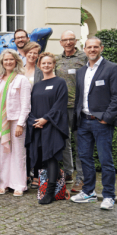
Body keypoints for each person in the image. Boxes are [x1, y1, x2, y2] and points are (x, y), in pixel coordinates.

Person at [71, 37, 117, 210]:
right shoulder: (81, 71)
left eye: (95, 47)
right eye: (89, 47)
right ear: (84, 49)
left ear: (101, 48)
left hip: (101, 122)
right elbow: (79, 97)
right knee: (85, 158)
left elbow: (116, 96)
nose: (92, 50)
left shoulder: (112, 68)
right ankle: (89, 192)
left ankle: (109, 196)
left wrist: (107, 117)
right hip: (83, 121)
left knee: (106, 160)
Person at [25, 52, 69, 205]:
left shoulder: (60, 82)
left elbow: (60, 105)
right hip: (37, 126)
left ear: (54, 64)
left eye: (49, 63)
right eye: (43, 63)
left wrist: (45, 119)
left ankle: (50, 192)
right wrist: (34, 121)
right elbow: (30, 105)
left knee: (51, 157)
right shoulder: (36, 85)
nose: (46, 65)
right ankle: (41, 187)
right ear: (39, 65)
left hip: (52, 125)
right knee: (39, 157)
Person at [0, 49, 31, 197]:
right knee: (4, 153)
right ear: (2, 62)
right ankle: (3, 184)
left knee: (18, 153)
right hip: (2, 121)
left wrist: (21, 124)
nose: (8, 62)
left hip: (16, 121)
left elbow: (26, 104)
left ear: (16, 61)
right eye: (5, 60)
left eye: (11, 59)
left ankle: (19, 185)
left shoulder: (22, 79)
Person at [55, 30, 88, 192]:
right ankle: (68, 172)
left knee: (80, 143)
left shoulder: (84, 58)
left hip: (79, 108)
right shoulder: (57, 59)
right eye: (65, 40)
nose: (68, 42)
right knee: (64, 142)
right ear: (60, 42)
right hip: (61, 108)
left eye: (71, 39)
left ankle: (80, 178)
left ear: (75, 41)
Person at [22, 42, 43, 188]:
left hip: (37, 111)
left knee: (37, 144)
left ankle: (37, 174)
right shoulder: (19, 70)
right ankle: (25, 174)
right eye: (30, 52)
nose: (32, 55)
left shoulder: (40, 71)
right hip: (22, 111)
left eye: (35, 53)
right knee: (24, 144)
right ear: (25, 53)